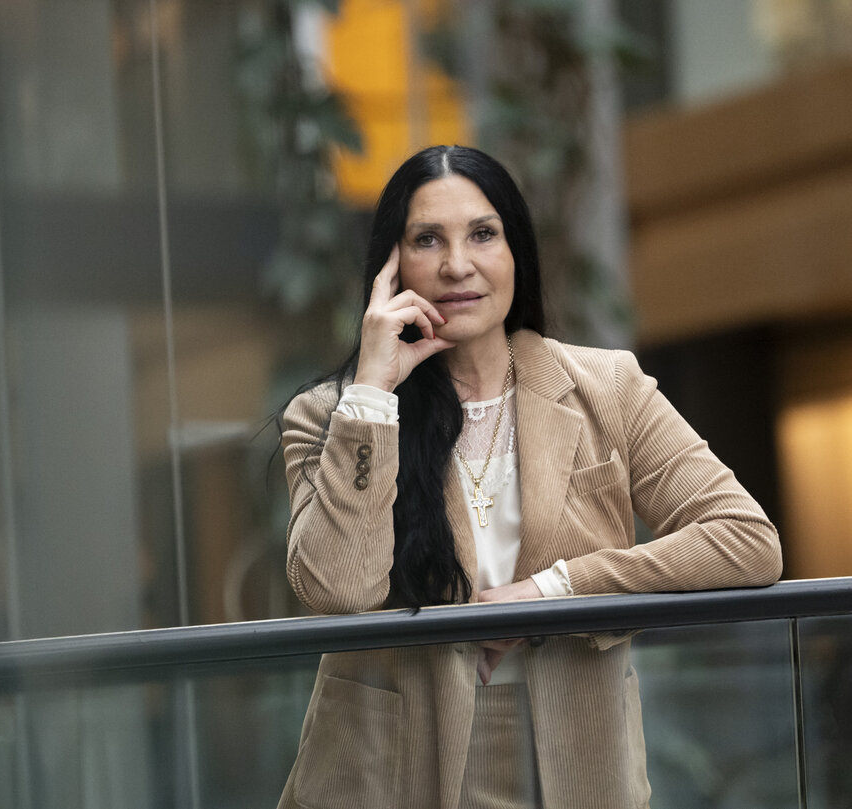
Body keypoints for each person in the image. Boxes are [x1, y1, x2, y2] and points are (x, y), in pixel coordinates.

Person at [274, 145, 781, 809]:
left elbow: (745, 538)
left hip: (574, 762)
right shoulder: (329, 416)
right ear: (390, 269)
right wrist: (372, 391)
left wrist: (558, 586)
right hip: (390, 770)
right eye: (428, 239)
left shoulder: (607, 389)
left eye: (482, 233)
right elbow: (338, 588)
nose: (458, 264)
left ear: (516, 252)